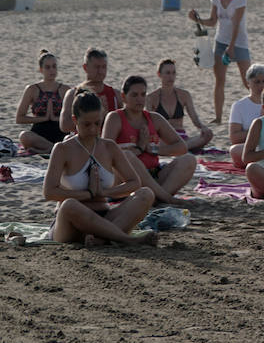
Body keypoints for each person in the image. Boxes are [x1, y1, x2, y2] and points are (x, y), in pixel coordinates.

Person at [42, 90, 156, 246]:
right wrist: (87, 194)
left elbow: (134, 182)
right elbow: (49, 192)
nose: (93, 129)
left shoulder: (109, 147)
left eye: (97, 123)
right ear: (75, 120)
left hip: (105, 214)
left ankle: (102, 239)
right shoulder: (63, 149)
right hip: (72, 223)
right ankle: (125, 239)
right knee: (69, 205)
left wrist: (105, 193)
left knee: (146, 194)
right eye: (87, 124)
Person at [102, 75, 196, 205]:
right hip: (126, 180)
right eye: (134, 95)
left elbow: (181, 147)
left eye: (143, 94)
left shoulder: (154, 119)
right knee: (127, 156)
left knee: (189, 160)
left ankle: (157, 197)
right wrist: (139, 148)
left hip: (153, 174)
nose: (139, 99)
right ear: (123, 97)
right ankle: (166, 198)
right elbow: (105, 153)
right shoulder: (115, 118)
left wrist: (154, 149)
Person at [187, 0, 251, 123]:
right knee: (219, 80)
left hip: (239, 42)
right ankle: (218, 117)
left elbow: (236, 25)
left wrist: (232, 47)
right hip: (221, 41)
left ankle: (262, 108)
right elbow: (213, 21)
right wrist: (197, 19)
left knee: (248, 80)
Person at [149, 59, 213, 152]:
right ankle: (179, 148)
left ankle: (177, 148)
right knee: (159, 143)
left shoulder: (184, 95)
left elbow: (195, 119)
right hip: (163, 139)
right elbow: (149, 124)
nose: (171, 77)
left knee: (208, 134)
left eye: (173, 73)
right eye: (167, 73)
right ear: (159, 74)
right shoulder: (151, 98)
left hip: (182, 138)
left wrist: (203, 127)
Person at [15, 49, 71, 155]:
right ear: (41, 70)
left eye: (54, 66)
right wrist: (43, 118)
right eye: (48, 67)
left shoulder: (65, 89)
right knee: (24, 136)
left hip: (61, 132)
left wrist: (55, 118)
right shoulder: (32, 89)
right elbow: (19, 118)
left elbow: (74, 117)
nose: (52, 70)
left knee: (71, 138)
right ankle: (53, 149)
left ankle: (48, 150)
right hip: (39, 133)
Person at [59, 48, 121, 134]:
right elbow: (64, 125)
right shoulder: (73, 94)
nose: (100, 71)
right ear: (85, 67)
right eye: (96, 67)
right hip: (82, 144)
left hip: (106, 144)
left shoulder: (115, 95)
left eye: (104, 67)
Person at [229, 64, 264, 167]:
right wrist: (258, 127)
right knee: (235, 150)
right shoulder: (239, 106)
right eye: (257, 82)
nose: (261, 86)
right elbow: (234, 137)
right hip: (252, 147)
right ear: (248, 83)